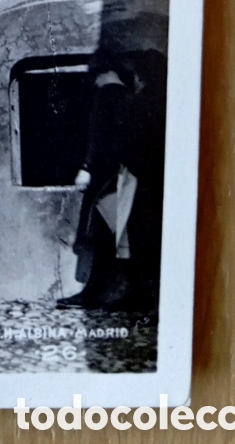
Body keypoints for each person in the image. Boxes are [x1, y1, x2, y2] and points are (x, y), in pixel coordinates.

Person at [58, 50, 165, 310]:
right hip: (128, 177)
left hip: (113, 178)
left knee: (105, 236)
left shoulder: (107, 94)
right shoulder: (130, 97)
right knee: (126, 237)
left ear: (101, 71)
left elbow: (99, 136)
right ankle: (135, 294)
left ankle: (96, 295)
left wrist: (87, 167)